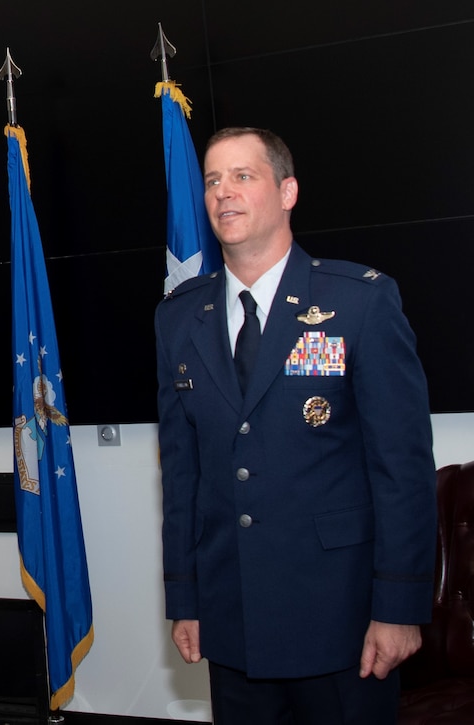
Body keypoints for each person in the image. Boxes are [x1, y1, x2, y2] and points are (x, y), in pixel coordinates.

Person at [154, 128, 437, 724]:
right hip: (232, 621)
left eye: (242, 176)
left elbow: (402, 469)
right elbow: (182, 475)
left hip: (341, 620)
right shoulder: (179, 319)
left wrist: (400, 606)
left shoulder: (359, 302)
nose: (223, 193)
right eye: (211, 180)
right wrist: (186, 598)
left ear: (288, 192)